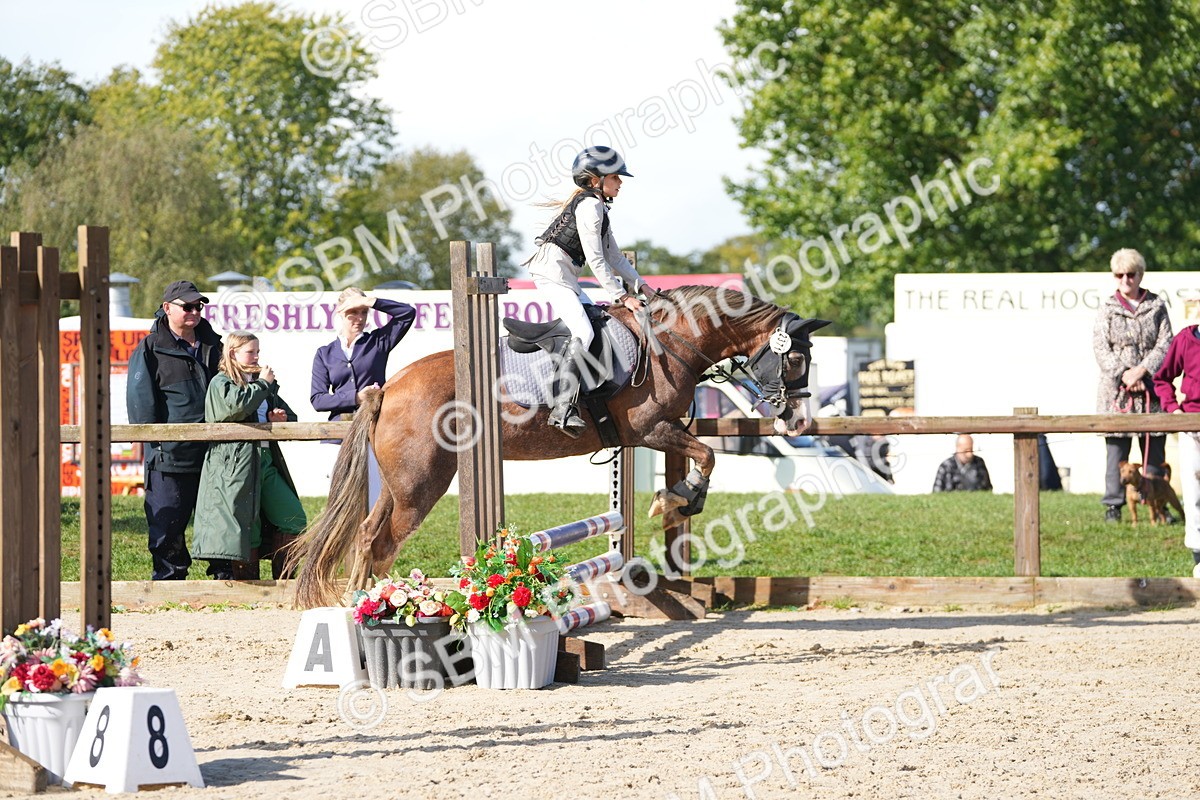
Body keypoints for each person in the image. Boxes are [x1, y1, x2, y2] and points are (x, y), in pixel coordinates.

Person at [525, 145, 658, 437]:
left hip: (565, 277)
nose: (620, 183)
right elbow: (596, 260)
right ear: (596, 180)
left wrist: (644, 286)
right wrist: (623, 296)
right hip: (552, 276)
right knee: (584, 333)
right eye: (615, 177)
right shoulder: (589, 207)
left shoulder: (599, 207)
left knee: (598, 323)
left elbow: (615, 257)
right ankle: (562, 408)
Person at [126, 280, 223, 580]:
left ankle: (227, 582)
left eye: (199, 306)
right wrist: (156, 446)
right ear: (167, 308)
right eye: (187, 306)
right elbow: (141, 405)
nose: (195, 311)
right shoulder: (150, 348)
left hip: (215, 454)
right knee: (167, 524)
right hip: (170, 456)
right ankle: (168, 583)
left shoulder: (216, 346)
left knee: (221, 523)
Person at [193, 333, 306, 580]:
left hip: (265, 460)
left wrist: (279, 417)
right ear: (232, 353)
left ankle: (285, 585)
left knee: (294, 518)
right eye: (250, 352)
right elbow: (236, 407)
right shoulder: (221, 383)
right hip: (235, 465)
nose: (256, 357)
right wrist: (263, 384)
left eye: (257, 352)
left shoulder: (260, 383)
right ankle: (249, 588)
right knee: (246, 528)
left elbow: (291, 416)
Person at [311, 287, 416, 502]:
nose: (359, 318)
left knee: (373, 497)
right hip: (338, 435)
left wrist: (371, 301)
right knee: (340, 500)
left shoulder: (378, 342)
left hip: (375, 430)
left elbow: (407, 313)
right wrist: (356, 397)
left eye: (364, 312)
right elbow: (318, 399)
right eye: (353, 312)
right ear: (340, 312)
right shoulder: (325, 353)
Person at [1093, 248, 1173, 523]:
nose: (1125, 280)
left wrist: (1142, 371)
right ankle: (1114, 505)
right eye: (1120, 275)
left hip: (1151, 391)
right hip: (1118, 393)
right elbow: (1101, 347)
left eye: (1130, 274)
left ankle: (1159, 505)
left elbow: (1166, 343)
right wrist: (1125, 374)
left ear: (1140, 275)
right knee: (1116, 452)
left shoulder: (1157, 305)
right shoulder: (1107, 308)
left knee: (1154, 451)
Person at [1152, 326, 1200, 573]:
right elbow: (1162, 378)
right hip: (1192, 425)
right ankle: (1199, 557)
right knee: (1194, 493)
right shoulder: (1185, 339)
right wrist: (1174, 409)